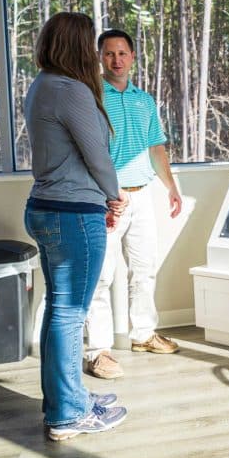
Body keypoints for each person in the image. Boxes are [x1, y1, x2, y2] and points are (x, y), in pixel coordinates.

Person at [23, 12, 129, 441]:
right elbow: (97, 155)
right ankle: (68, 415)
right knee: (70, 314)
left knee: (59, 311)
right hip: (71, 214)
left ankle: (69, 400)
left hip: (47, 208)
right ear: (77, 46)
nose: (94, 52)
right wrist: (114, 196)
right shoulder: (71, 90)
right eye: (89, 43)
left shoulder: (42, 85)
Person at [84, 28, 182, 379]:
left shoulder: (144, 100)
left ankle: (142, 335)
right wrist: (108, 193)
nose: (116, 60)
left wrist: (171, 187)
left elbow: (156, 147)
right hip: (107, 200)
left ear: (133, 57)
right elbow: (90, 150)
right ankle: (98, 350)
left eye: (123, 53)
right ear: (100, 57)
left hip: (142, 195)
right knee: (101, 277)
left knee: (144, 269)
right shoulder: (92, 95)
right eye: (109, 54)